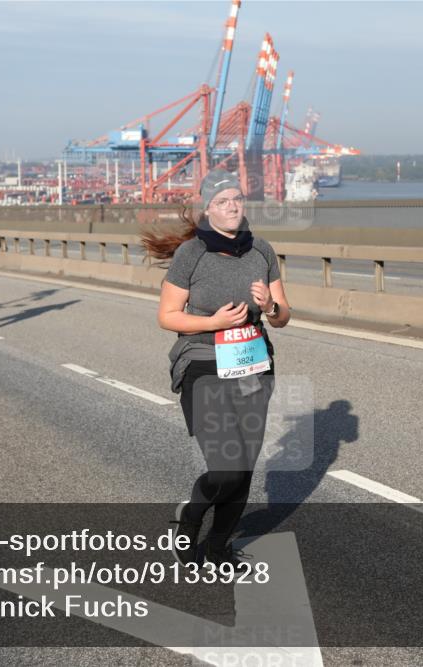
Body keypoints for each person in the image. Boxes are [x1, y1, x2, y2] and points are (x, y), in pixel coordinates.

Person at [143, 169, 291, 567]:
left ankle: (218, 547)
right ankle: (191, 516)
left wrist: (271, 306)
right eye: (222, 201)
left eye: (237, 199)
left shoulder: (261, 250)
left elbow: (282, 315)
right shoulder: (191, 253)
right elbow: (167, 316)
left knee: (243, 469)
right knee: (226, 469)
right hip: (203, 365)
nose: (232, 207)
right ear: (208, 209)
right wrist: (213, 323)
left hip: (253, 366)